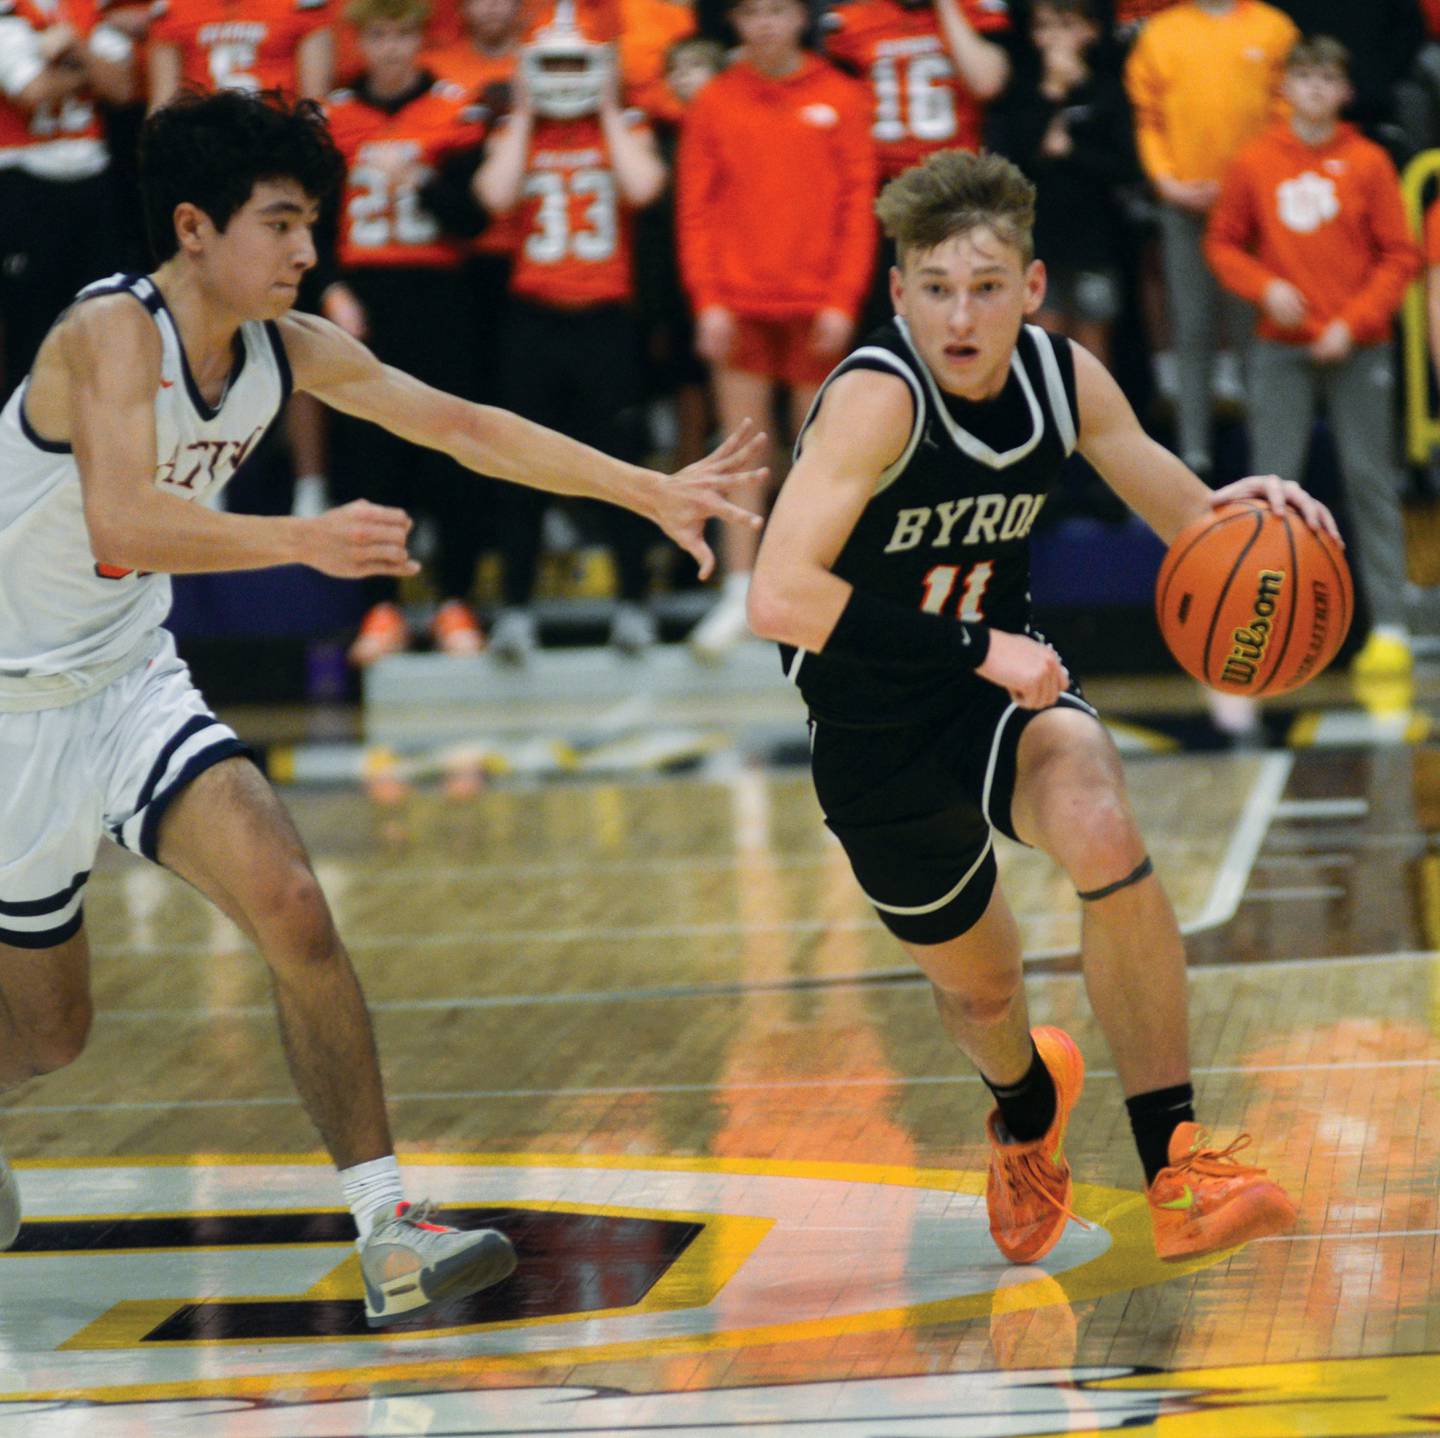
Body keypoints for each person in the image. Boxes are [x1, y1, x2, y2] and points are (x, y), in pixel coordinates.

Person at [0, 87, 762, 1321]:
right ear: (195, 227)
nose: (310, 250)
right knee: (47, 1037)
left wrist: (644, 488)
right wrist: (309, 537)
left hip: (129, 676)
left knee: (295, 904)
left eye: (315, 223)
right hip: (10, 705)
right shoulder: (110, 333)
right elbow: (122, 519)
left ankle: (387, 1222)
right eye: (284, 222)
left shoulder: (283, 347)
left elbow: (461, 425)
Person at [746, 147, 1325, 1263]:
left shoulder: (1064, 378)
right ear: (899, 291)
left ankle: (1178, 1164)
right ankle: (1026, 1110)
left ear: (1033, 286)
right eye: (936, 288)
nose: (961, 315)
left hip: (1003, 700)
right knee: (985, 996)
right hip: (873, 729)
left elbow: (1183, 513)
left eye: (986, 287)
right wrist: (974, 645)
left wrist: (1251, 518)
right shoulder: (877, 399)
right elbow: (779, 593)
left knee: (1103, 820)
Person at [1206, 36, 1421, 680]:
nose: (1316, 91)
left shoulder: (1369, 162)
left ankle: (1390, 627)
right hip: (1281, 348)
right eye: (1304, 79)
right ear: (1284, 89)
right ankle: (1268, 630)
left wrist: (1354, 324)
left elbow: (1401, 256)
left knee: (1370, 483)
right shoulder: (1254, 161)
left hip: (1357, 349)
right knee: (1273, 490)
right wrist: (1265, 287)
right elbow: (1222, 244)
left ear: (1346, 91)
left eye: (1329, 79)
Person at [677, 0, 876, 661]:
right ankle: (739, 589)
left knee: (823, 458)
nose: (764, 24)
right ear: (734, 22)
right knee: (742, 452)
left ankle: (812, 591)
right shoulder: (713, 102)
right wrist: (707, 301)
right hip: (739, 305)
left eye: (777, 11)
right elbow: (695, 212)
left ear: (801, 19)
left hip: (817, 304)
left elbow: (858, 204)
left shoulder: (843, 97)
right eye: (752, 12)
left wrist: (842, 301)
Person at [474, 3, 669, 658]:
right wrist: (525, 112)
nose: (563, 76)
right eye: (549, 63)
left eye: (573, 63)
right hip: (533, 319)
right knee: (519, 470)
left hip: (606, 321)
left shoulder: (624, 125)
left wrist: (609, 104)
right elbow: (494, 196)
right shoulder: (517, 130)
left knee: (620, 466)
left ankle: (635, 605)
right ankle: (516, 611)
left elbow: (645, 185)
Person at [321, 0, 492, 663]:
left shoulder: (452, 109)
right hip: (364, 301)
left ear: (420, 39)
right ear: (360, 40)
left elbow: (473, 218)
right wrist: (330, 288)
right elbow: (311, 216)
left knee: (452, 453)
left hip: (441, 297)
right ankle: (381, 608)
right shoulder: (336, 116)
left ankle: (455, 602)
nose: (390, 49)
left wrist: (420, 177)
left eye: (401, 35)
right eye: (378, 35)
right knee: (369, 457)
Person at [1125, 0, 1297, 479]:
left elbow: (1287, 111)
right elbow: (1147, 117)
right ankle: (1193, 454)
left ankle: (1268, 454)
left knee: (1254, 332)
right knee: (1192, 326)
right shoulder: (1160, 33)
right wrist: (1167, 182)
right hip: (1185, 204)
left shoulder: (1273, 27)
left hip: (1254, 209)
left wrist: (1251, 184)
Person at [983, 0, 1135, 368]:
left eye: (1065, 26)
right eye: (1044, 27)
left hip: (1095, 242)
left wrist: (1071, 153)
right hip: (1039, 240)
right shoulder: (1022, 94)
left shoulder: (1106, 92)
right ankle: (1052, 421)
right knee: (1045, 340)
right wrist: (1051, 98)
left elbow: (1125, 167)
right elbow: (1011, 164)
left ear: (1091, 31)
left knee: (1093, 346)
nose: (1054, 39)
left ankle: (1095, 422)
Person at [0, 0, 136, 398]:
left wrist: (72, 49)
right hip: (26, 179)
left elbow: (123, 87)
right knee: (29, 321)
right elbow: (32, 91)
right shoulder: (10, 15)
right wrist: (88, 68)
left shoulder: (88, 13)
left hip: (91, 179)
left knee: (99, 313)